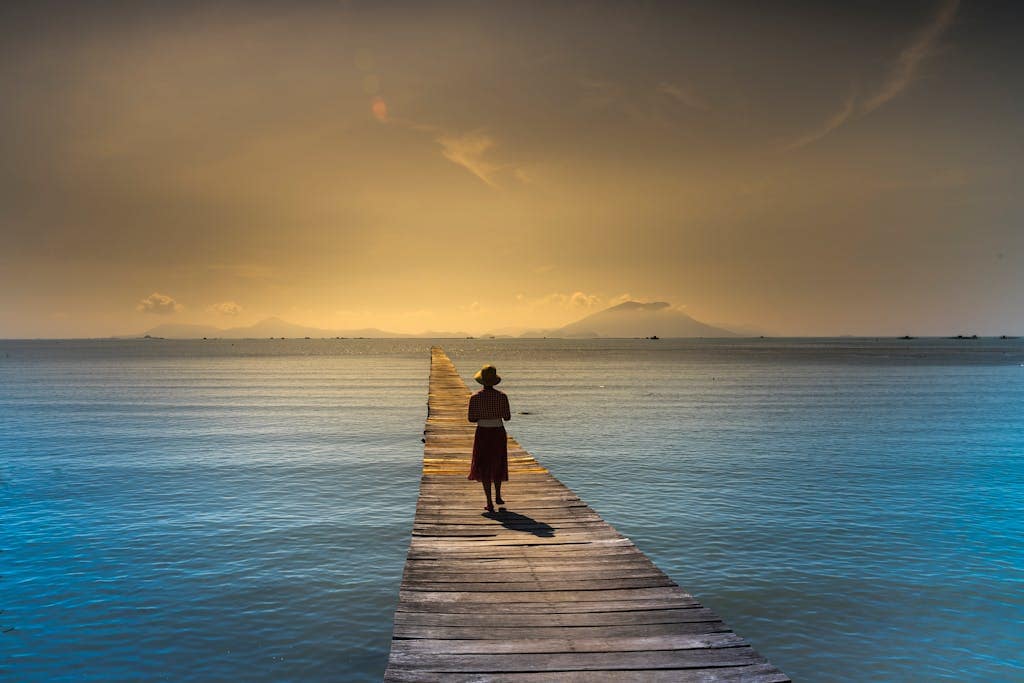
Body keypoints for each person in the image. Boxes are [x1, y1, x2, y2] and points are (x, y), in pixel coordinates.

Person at [467, 364, 511, 512]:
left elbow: (471, 419)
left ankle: (489, 502)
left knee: (484, 465)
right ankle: (498, 496)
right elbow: (507, 417)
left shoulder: (474, 398)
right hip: (498, 431)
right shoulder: (502, 396)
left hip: (483, 432)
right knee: (498, 462)